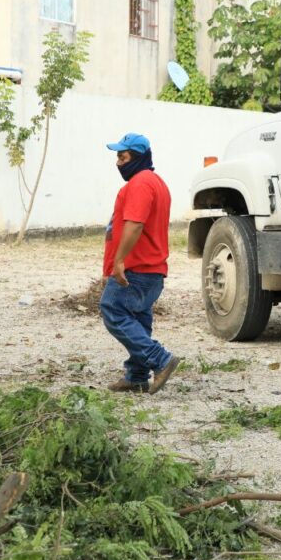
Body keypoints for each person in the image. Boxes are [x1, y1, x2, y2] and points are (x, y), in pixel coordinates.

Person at [99, 132, 182, 394]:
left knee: (112, 309)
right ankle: (136, 376)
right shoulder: (156, 183)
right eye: (117, 156)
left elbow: (134, 226)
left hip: (136, 268)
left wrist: (119, 261)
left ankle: (161, 359)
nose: (118, 162)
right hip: (152, 270)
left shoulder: (140, 184)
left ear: (137, 157)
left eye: (122, 157)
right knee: (139, 320)